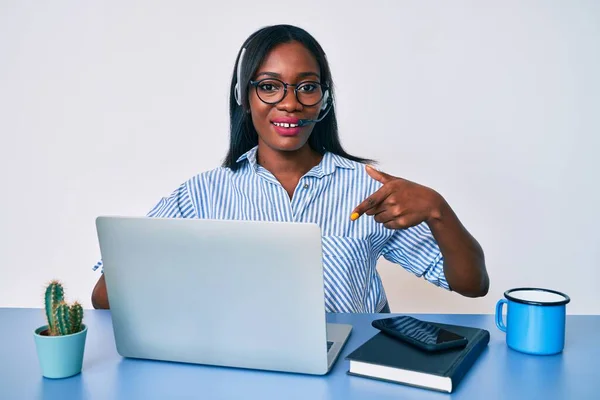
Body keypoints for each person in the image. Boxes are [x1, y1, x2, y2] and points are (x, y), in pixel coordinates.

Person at [91, 24, 489, 311]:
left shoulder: (368, 188)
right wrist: (175, 261)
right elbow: (104, 297)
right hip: (243, 372)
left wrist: (439, 210)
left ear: (324, 99)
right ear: (243, 97)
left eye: (307, 86)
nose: (290, 102)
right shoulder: (202, 194)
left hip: (349, 373)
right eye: (268, 85)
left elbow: (472, 285)